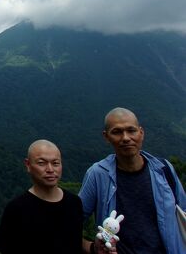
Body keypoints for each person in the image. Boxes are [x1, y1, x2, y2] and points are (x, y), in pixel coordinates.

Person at [79, 107, 186, 254]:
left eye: (131, 130)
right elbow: (69, 224)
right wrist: (92, 247)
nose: (125, 138)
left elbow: (184, 214)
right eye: (117, 132)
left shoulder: (164, 170)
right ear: (106, 137)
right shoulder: (98, 175)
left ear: (141, 133)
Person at [0, 139, 84, 253]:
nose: (50, 169)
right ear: (28, 164)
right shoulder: (16, 209)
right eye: (42, 163)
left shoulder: (74, 203)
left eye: (55, 163)